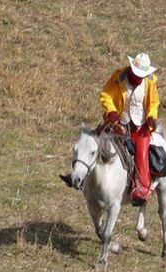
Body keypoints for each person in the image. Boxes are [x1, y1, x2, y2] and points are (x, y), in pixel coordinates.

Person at [61, 52, 160, 206]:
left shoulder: (150, 82)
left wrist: (151, 116)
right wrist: (111, 111)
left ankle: (140, 189)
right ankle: (77, 175)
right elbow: (106, 94)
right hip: (117, 121)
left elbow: (153, 102)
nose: (138, 77)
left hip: (140, 126)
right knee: (91, 141)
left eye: (141, 75)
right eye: (136, 73)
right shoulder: (118, 77)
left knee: (141, 153)